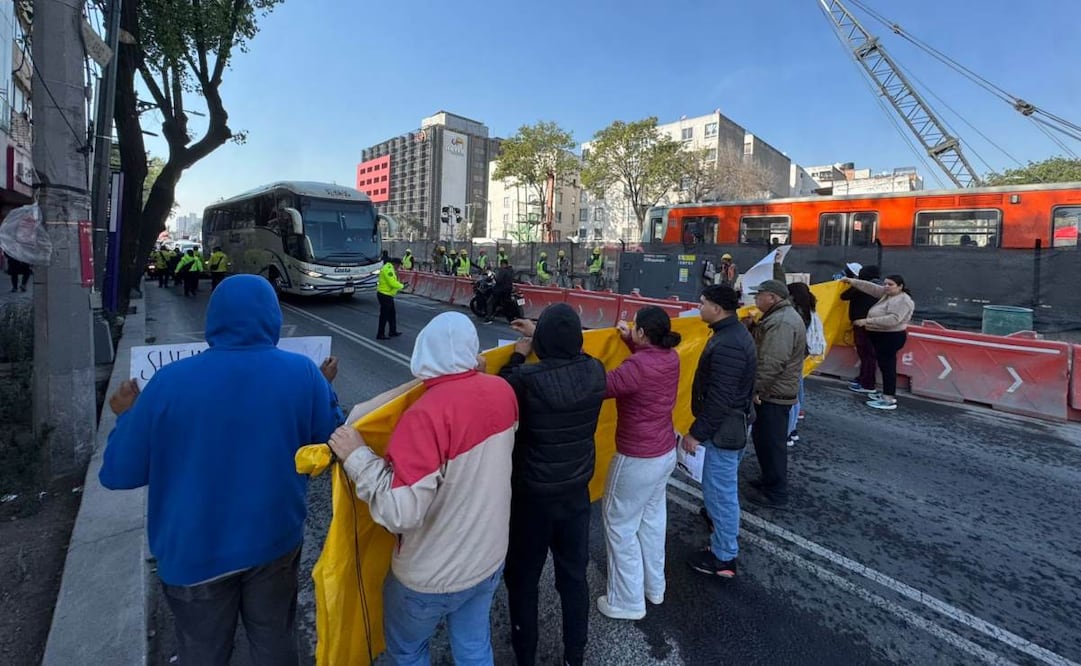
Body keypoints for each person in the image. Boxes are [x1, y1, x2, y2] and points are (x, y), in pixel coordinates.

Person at [99, 275, 343, 666]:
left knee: (203, 651)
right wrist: (324, 388)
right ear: (272, 316)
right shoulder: (303, 374)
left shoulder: (167, 384)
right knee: (274, 642)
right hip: (273, 542)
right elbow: (331, 442)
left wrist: (126, 417)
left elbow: (118, 473)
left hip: (193, 554)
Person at [327, 312, 517, 665]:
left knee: (409, 652)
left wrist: (356, 457)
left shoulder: (424, 415)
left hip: (429, 576)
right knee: (475, 649)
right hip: (488, 560)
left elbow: (400, 512)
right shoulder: (503, 391)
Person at [498, 304, 607, 666]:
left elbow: (498, 392)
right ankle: (574, 656)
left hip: (531, 498)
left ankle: (525, 657)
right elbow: (580, 351)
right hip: (576, 494)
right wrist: (540, 331)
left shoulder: (524, 381)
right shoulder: (595, 372)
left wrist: (518, 353)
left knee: (523, 580)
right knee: (574, 579)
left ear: (542, 341)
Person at [597, 307, 681, 620]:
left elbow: (600, 385)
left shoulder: (636, 367)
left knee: (619, 525)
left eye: (635, 329)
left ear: (643, 333)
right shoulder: (669, 357)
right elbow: (647, 366)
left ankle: (627, 601)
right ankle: (653, 587)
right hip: (664, 454)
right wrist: (631, 342)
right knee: (652, 521)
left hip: (636, 458)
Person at [682, 285, 756, 578]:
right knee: (720, 492)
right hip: (732, 425)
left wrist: (696, 434)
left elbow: (720, 398)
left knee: (721, 493)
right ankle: (719, 528)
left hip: (724, 432)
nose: (698, 307)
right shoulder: (732, 334)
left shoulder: (729, 343)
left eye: (702, 303)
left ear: (717, 308)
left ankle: (724, 557)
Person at [745, 279, 805, 508]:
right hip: (773, 391)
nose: (756, 300)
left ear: (772, 297)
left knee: (772, 444)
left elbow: (771, 362)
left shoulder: (781, 322)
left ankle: (776, 493)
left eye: (759, 295)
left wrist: (755, 389)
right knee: (764, 441)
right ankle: (769, 480)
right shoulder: (777, 317)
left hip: (773, 393)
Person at [841, 274, 915, 410]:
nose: (886, 286)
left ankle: (888, 399)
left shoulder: (902, 300)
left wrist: (866, 321)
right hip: (882, 336)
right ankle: (887, 394)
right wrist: (852, 281)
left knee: (888, 368)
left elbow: (893, 319)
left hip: (890, 337)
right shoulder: (888, 294)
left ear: (900, 286)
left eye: (890, 284)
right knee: (884, 366)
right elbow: (871, 287)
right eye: (885, 283)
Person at [785, 282, 817, 447]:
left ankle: (788, 432)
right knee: (797, 392)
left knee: (790, 397)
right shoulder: (808, 310)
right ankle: (792, 429)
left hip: (792, 356)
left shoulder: (794, 314)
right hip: (800, 355)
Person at [841, 265, 882, 394]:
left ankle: (867, 384)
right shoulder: (880, 288)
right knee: (868, 355)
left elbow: (844, 296)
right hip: (874, 325)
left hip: (862, 324)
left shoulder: (863, 287)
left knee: (866, 354)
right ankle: (864, 379)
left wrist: (855, 282)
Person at [376, 257, 404, 340]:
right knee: (384, 316)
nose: (398, 267)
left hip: (388, 295)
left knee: (392, 314)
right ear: (395, 264)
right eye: (398, 265)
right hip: (384, 295)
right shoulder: (388, 269)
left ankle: (392, 331)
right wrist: (402, 286)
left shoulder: (390, 268)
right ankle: (380, 334)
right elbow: (392, 283)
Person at [484, 258, 514, 324]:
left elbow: (499, 280)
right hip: (508, 289)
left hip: (500, 290)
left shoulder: (503, 270)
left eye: (501, 264)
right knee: (506, 304)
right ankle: (510, 319)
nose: (500, 266)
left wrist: (495, 277)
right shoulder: (511, 270)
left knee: (490, 302)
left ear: (503, 264)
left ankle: (488, 317)